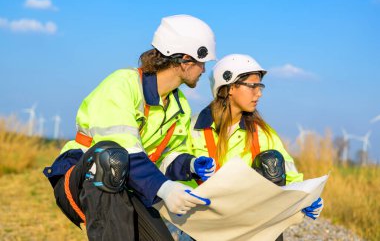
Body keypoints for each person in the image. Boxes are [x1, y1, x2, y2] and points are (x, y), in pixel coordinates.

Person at [43, 14, 217, 241]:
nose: (204, 70)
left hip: (127, 183)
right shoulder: (122, 84)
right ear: (185, 59)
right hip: (83, 176)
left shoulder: (180, 105)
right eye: (202, 61)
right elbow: (122, 150)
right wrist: (165, 189)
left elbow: (163, 157)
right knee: (112, 157)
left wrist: (190, 165)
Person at [189, 54, 324, 241]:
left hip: (250, 225)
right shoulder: (192, 128)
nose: (259, 93)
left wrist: (306, 198)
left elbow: (290, 176)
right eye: (252, 86)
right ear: (229, 88)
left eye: (260, 87)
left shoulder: (262, 133)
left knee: (272, 161)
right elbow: (175, 175)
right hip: (205, 224)